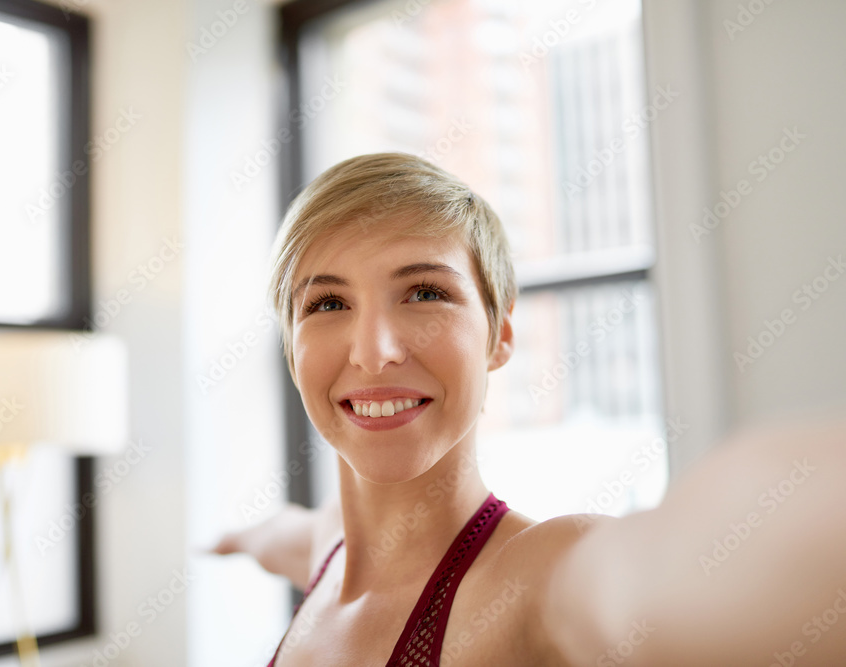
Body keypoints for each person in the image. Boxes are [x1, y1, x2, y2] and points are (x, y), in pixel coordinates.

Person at [210, 152, 846, 666]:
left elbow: (671, 572)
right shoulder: (326, 549)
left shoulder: (539, 578)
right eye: (326, 304)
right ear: (291, 348)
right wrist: (230, 540)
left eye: (425, 292)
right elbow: (279, 534)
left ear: (500, 334)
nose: (375, 353)